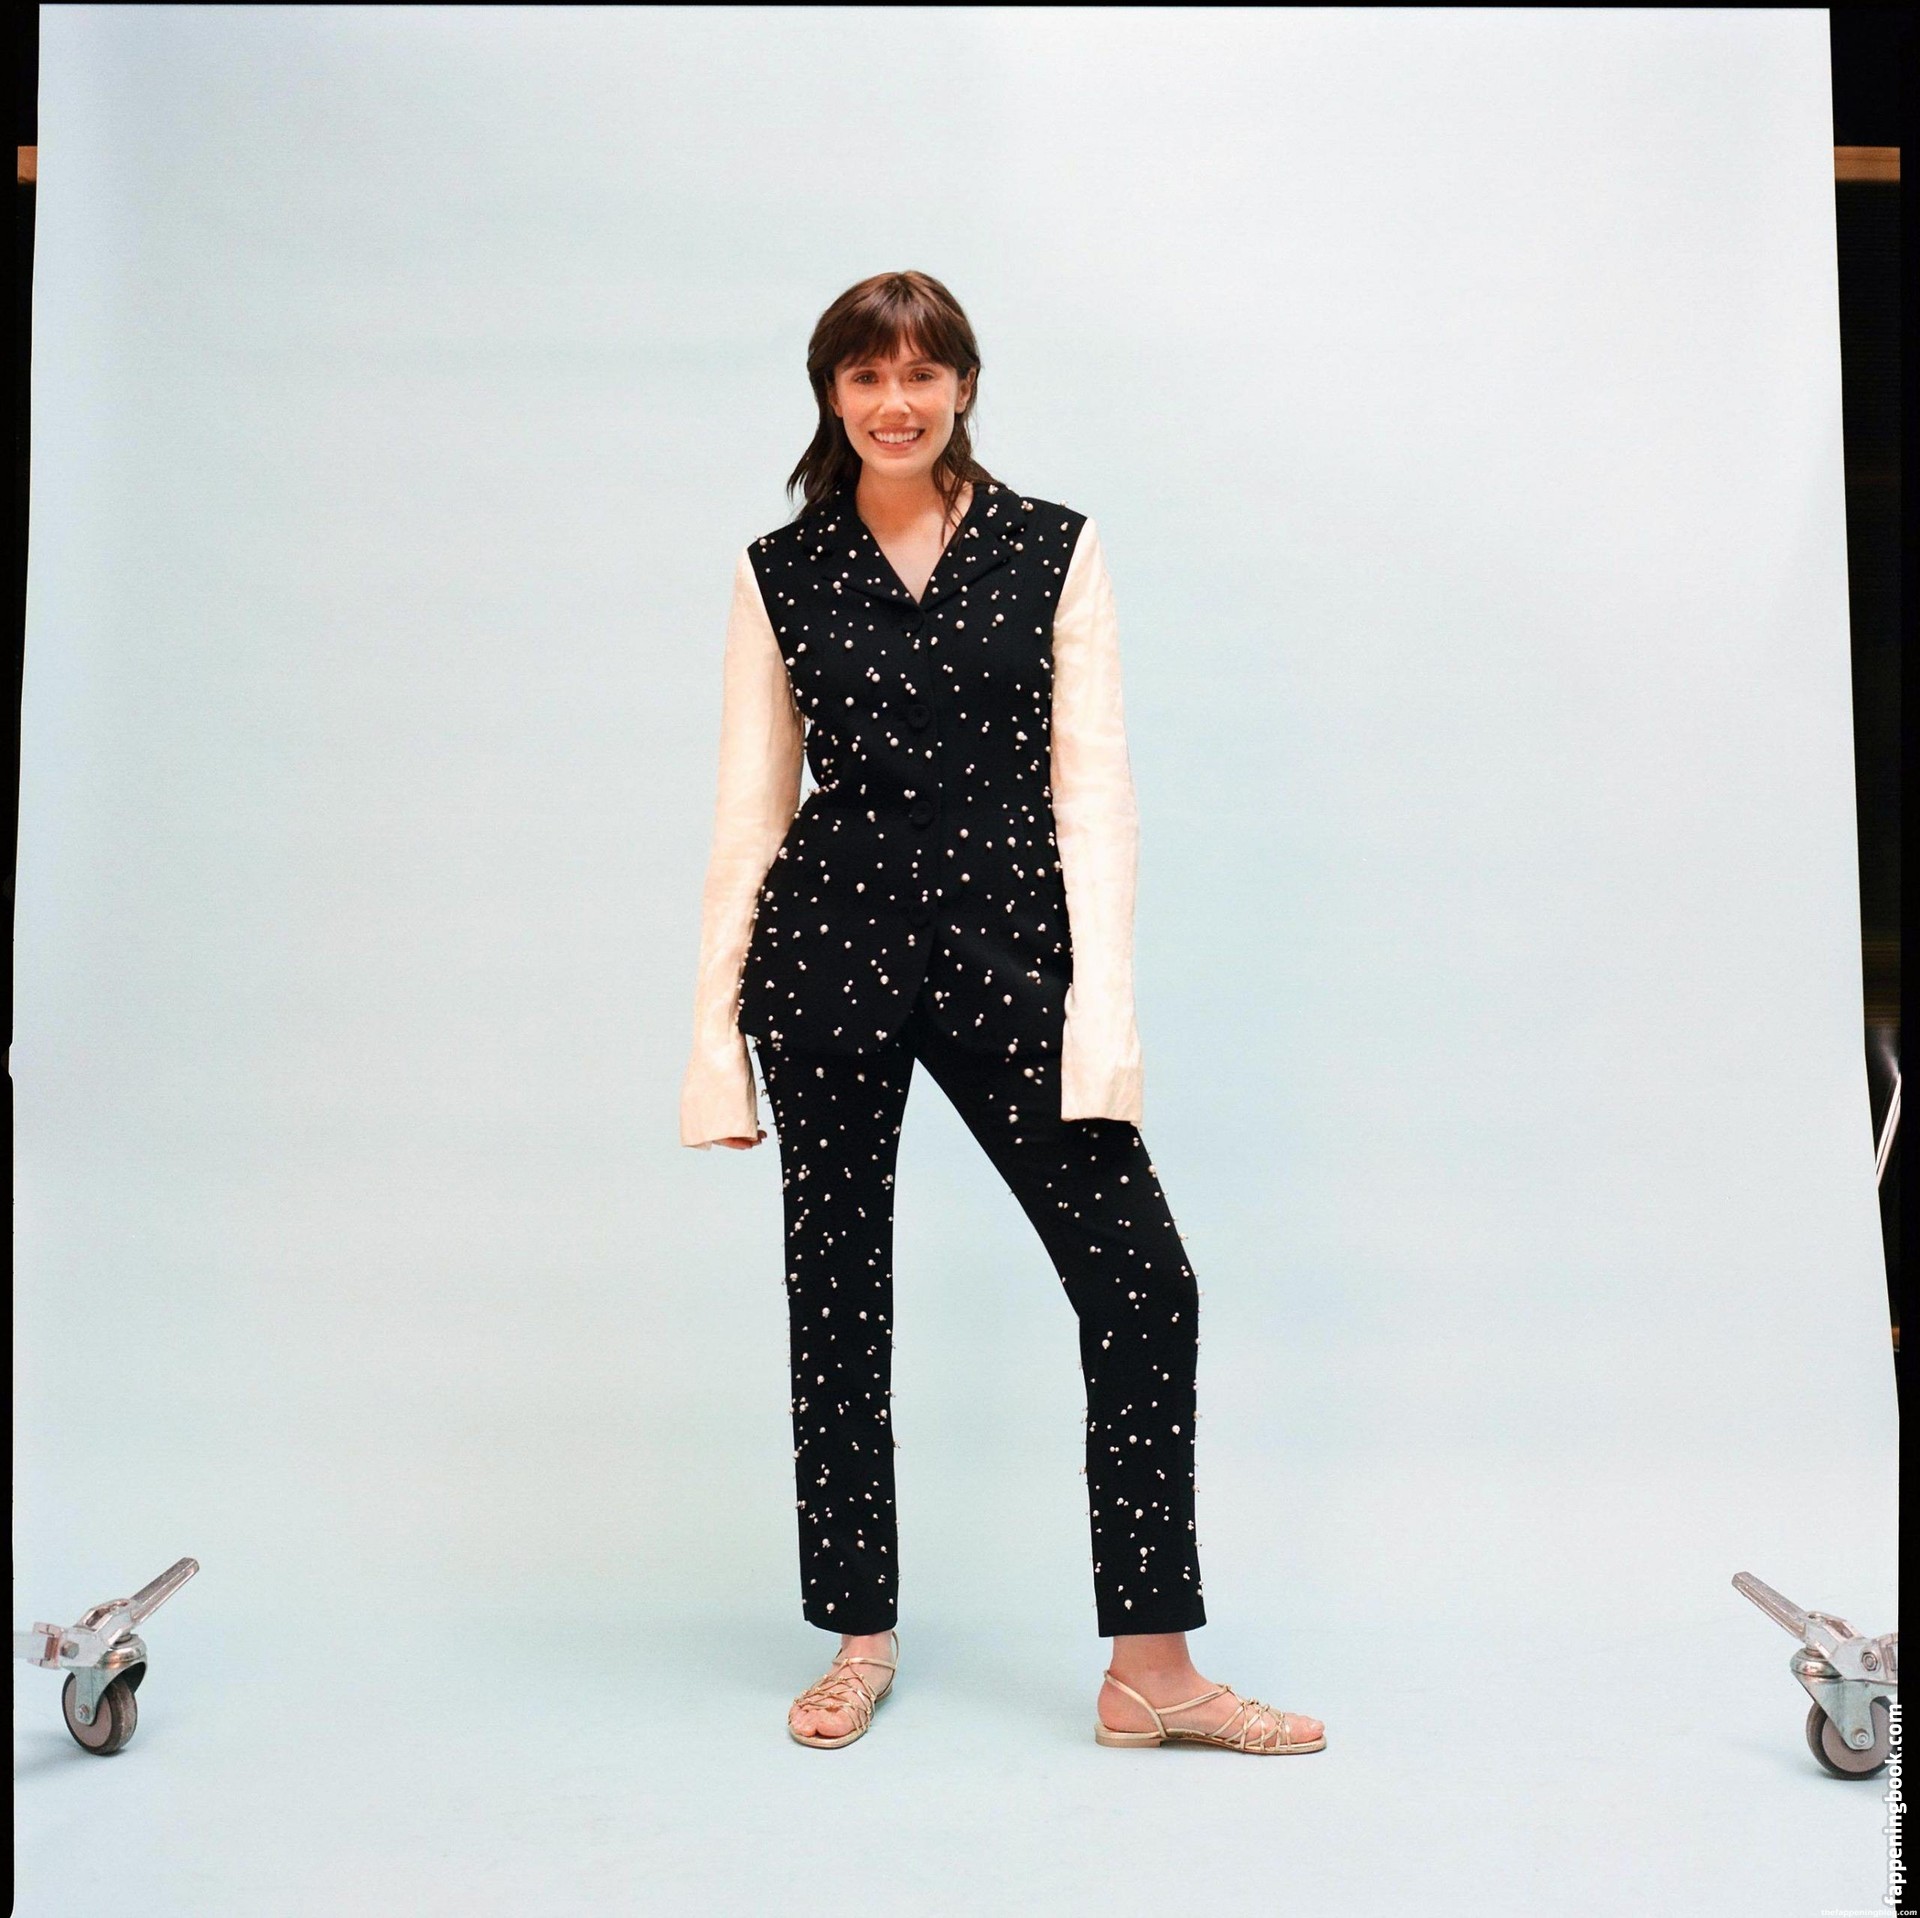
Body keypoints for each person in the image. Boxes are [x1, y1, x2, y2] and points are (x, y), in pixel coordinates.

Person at [679, 269, 1325, 1758]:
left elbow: (1097, 796)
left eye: (921, 373)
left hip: (1006, 951)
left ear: (963, 385)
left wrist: (1106, 1019)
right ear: (831, 393)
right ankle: (858, 1639)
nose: (894, 402)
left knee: (1145, 1283)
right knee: (839, 1304)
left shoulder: (1052, 548)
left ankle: (1152, 1669)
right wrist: (714, 1044)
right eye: (865, 376)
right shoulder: (780, 571)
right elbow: (746, 811)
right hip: (828, 953)